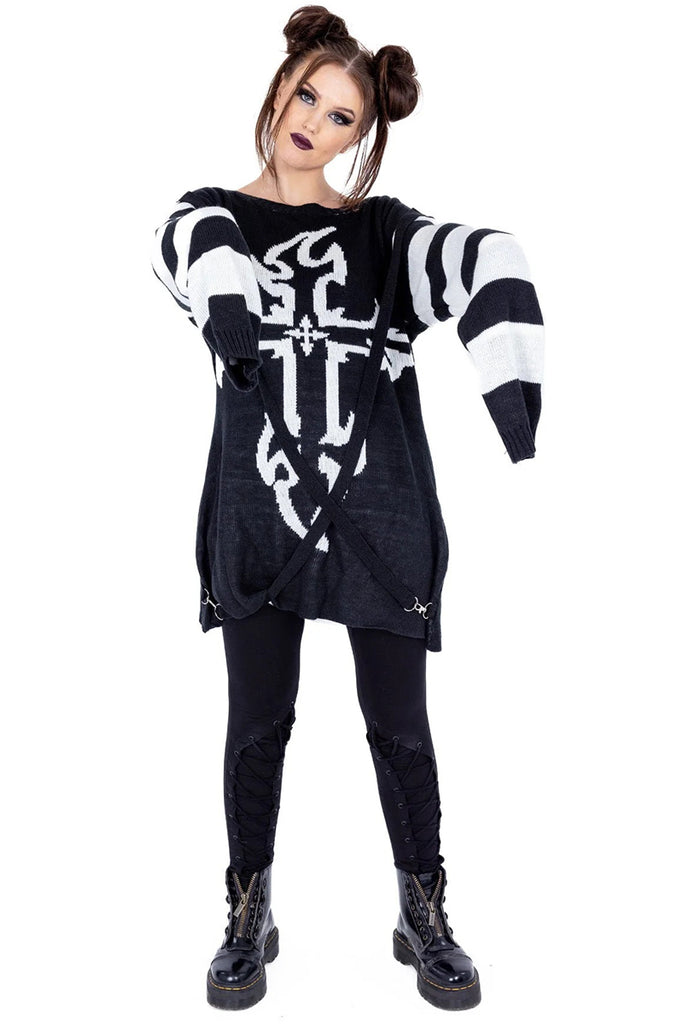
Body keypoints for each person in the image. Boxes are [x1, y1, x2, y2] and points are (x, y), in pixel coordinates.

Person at [150, 4, 544, 1012]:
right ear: (279, 86)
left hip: (380, 518)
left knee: (399, 725)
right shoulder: (211, 217)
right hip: (261, 517)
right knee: (256, 721)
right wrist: (232, 304)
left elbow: (469, 257)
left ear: (359, 138)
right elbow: (188, 251)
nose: (313, 124)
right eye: (307, 97)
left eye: (341, 118)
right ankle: (248, 910)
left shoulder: (382, 234)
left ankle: (423, 912)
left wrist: (507, 352)